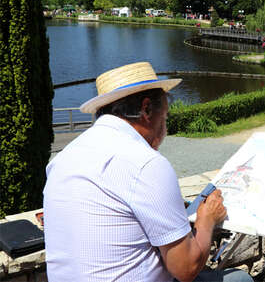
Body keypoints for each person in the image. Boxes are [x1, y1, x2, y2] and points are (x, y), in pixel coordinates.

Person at [43, 62, 253, 282]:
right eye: (165, 116)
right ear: (146, 109)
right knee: (240, 279)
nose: (165, 125)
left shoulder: (64, 157)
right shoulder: (145, 164)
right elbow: (186, 268)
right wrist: (207, 218)